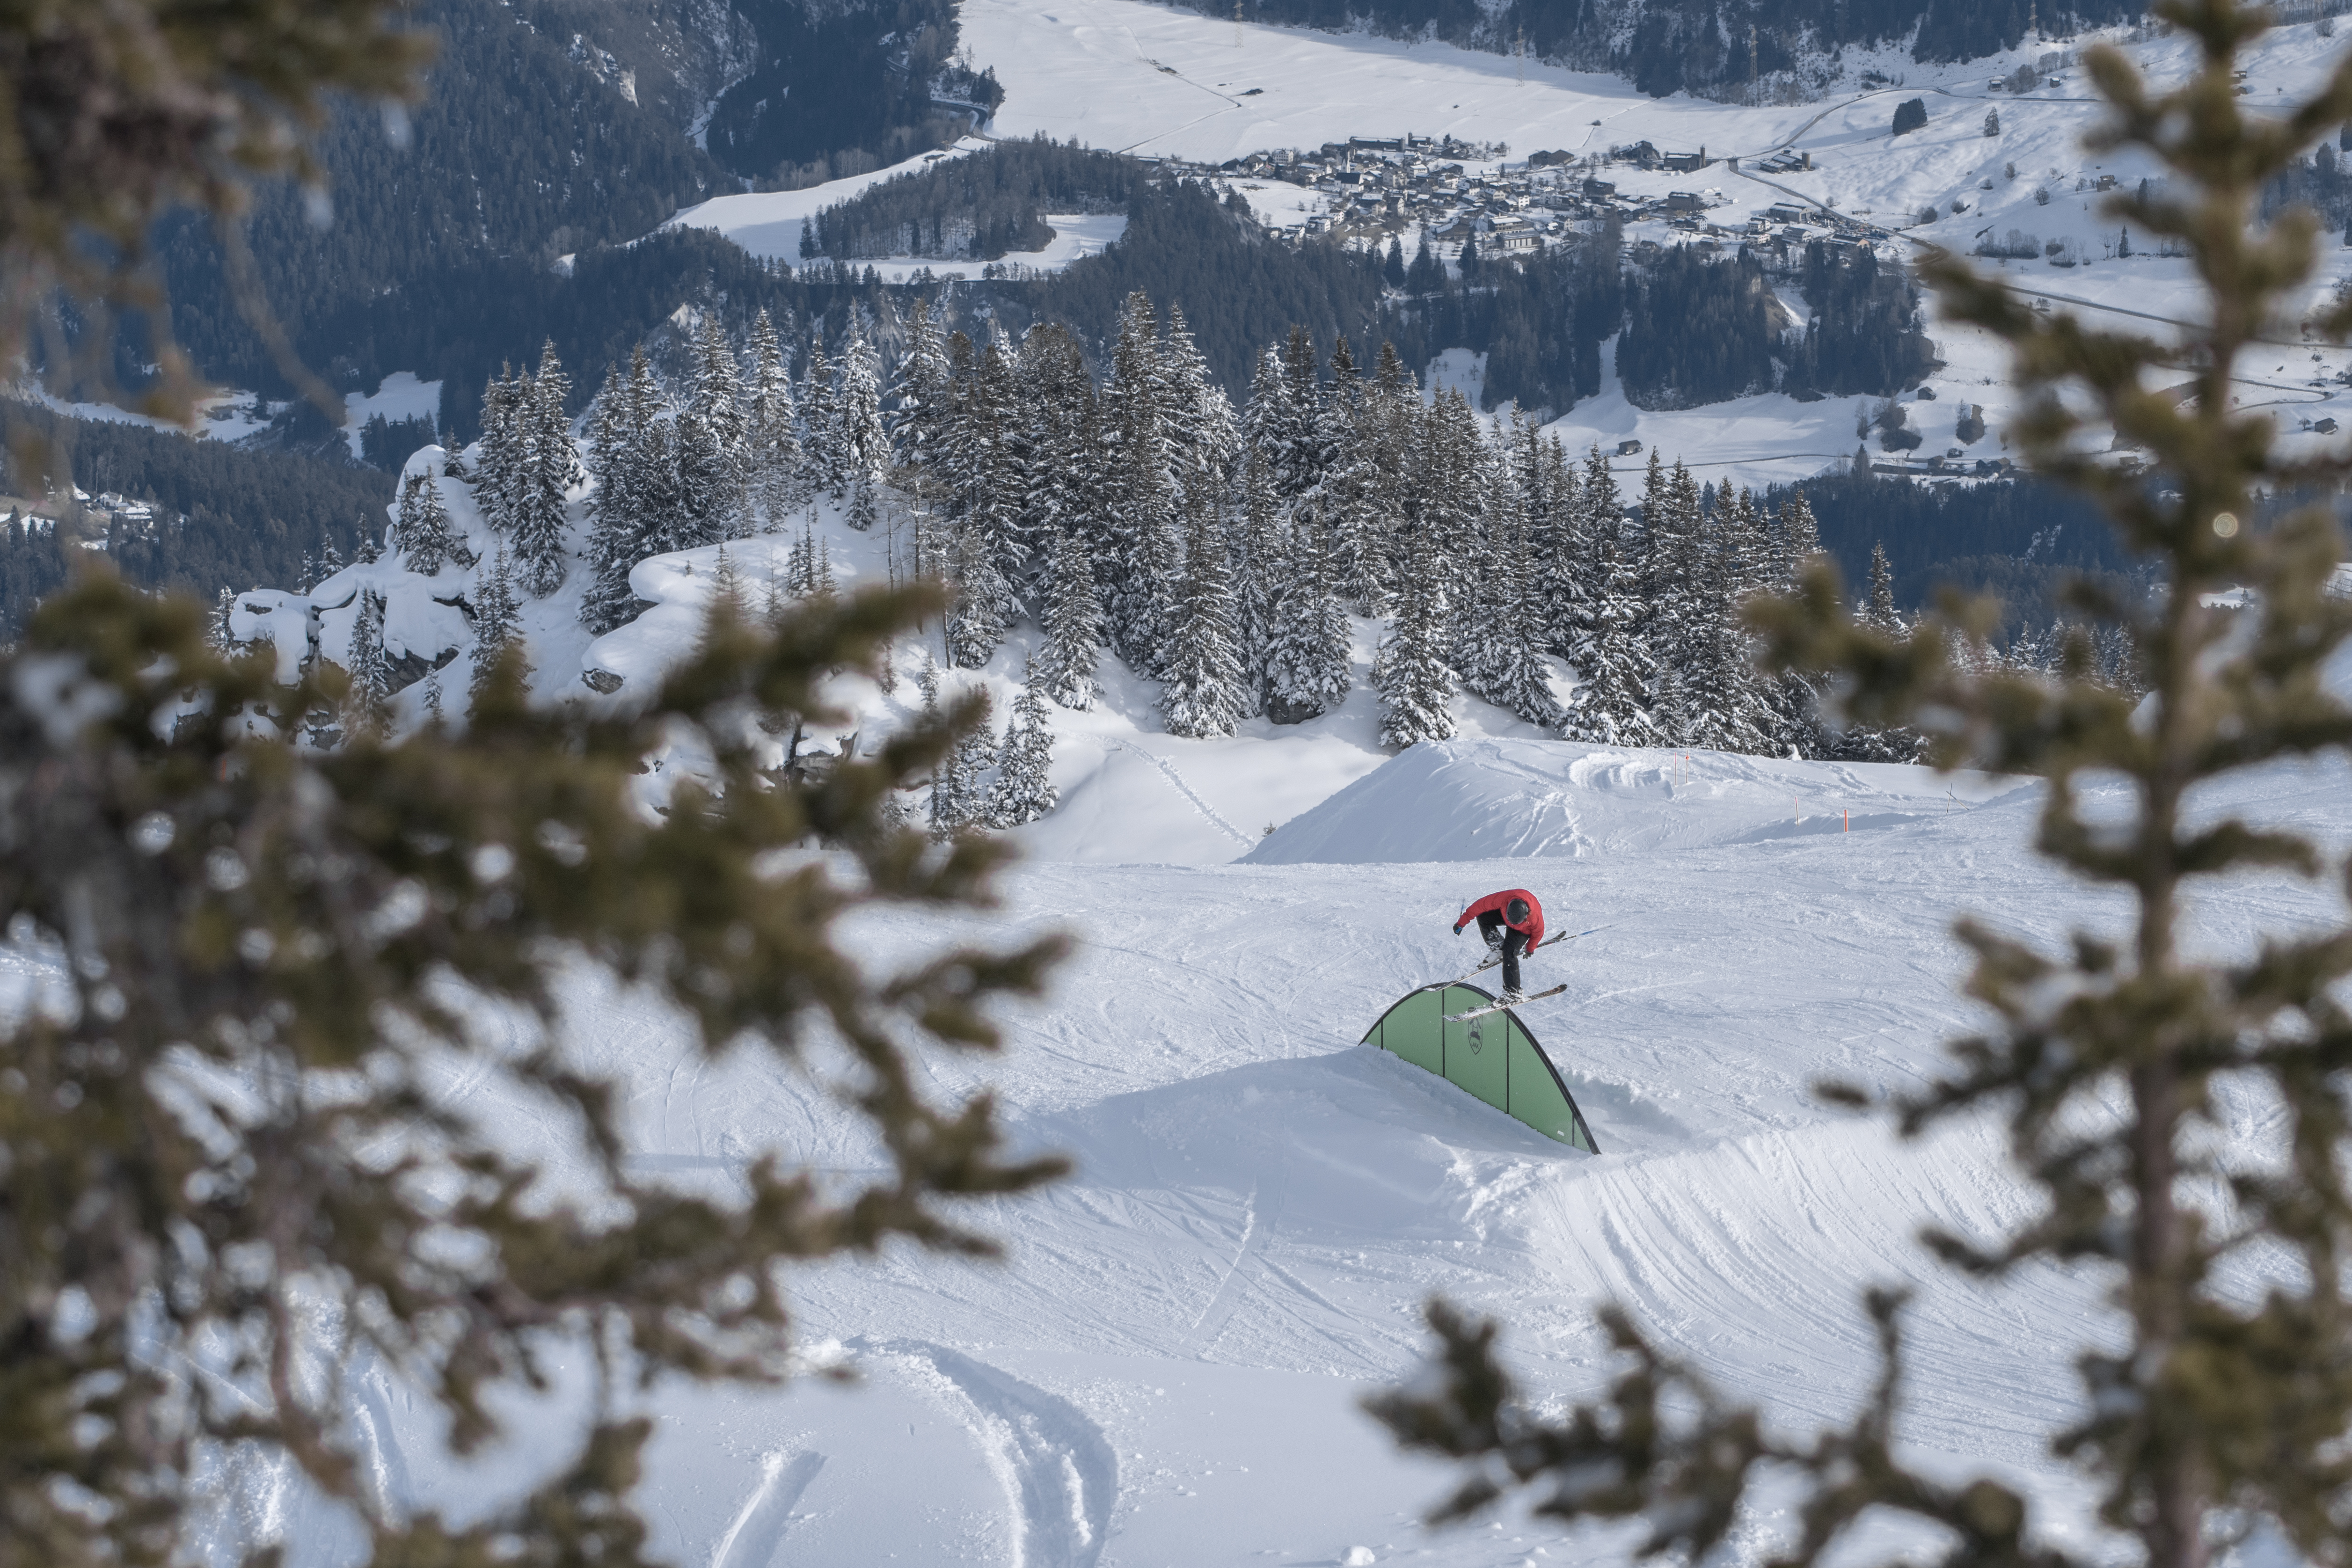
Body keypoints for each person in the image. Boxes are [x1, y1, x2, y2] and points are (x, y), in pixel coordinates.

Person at [1454, 888, 1545, 1001]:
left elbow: (1538, 933)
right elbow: (1479, 906)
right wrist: (1461, 923)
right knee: (1483, 917)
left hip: (1522, 930)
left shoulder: (1535, 917)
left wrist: (1530, 948)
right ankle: (1497, 947)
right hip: (1506, 916)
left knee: (1509, 953)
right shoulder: (1504, 899)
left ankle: (1513, 992)